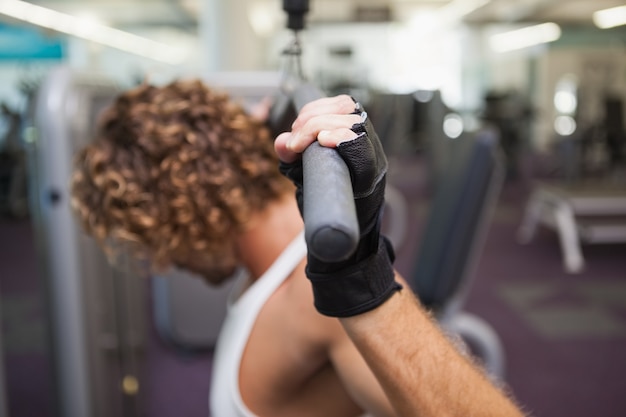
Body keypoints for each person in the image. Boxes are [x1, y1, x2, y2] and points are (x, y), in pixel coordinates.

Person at [71, 79, 524, 417]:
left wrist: (362, 283)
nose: (166, 263)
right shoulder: (269, 274)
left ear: (179, 212)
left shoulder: (312, 299)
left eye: (154, 241)